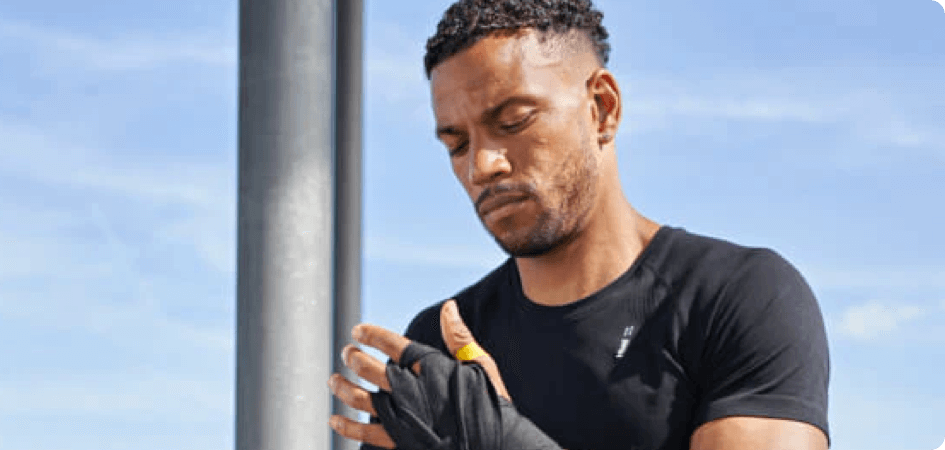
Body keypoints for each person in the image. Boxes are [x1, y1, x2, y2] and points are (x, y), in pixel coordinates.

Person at [327, 0, 831, 449]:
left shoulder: (738, 298)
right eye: (457, 144)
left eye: (514, 121)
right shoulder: (442, 347)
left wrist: (505, 440)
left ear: (602, 109)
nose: (482, 166)